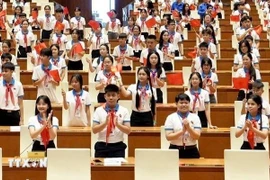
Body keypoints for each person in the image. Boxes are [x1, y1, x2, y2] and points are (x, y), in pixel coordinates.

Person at [92, 84, 131, 158]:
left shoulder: (124, 110)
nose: (111, 98)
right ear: (105, 96)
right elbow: (94, 130)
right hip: (102, 146)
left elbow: (128, 131)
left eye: (113, 95)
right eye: (108, 95)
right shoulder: (98, 110)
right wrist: (105, 123)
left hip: (118, 147)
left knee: (117, 169)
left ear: (118, 96)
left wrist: (117, 124)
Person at [164, 93, 201, 158]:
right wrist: (182, 131)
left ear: (189, 104)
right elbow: (168, 137)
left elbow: (197, 137)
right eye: (181, 103)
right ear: (176, 104)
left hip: (192, 150)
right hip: (175, 150)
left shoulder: (195, 117)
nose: (184, 105)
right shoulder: (170, 117)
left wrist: (188, 128)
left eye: (186, 103)